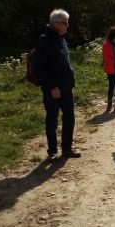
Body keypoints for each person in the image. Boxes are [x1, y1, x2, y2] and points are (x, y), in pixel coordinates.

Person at [34, 9, 81, 160]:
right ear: (56, 24)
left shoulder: (61, 38)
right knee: (52, 120)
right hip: (53, 89)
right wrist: (51, 87)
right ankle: (52, 151)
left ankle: (67, 149)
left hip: (67, 88)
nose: (68, 26)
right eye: (65, 23)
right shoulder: (45, 40)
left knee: (69, 118)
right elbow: (38, 67)